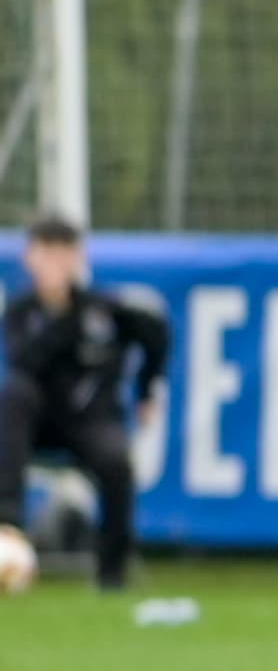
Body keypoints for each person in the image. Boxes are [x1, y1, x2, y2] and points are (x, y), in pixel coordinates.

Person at [2, 212, 168, 591]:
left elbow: (156, 332)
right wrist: (67, 314)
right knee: (14, 396)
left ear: (78, 257)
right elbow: (26, 361)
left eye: (64, 254)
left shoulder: (106, 311)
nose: (55, 264)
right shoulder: (22, 312)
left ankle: (113, 571)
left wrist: (148, 389)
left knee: (114, 459)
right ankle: (8, 524)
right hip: (37, 423)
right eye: (47, 253)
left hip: (90, 421)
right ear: (31, 258)